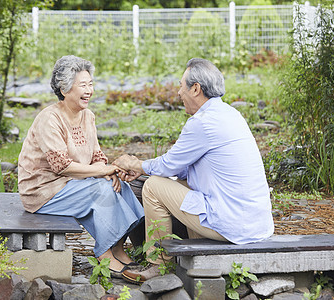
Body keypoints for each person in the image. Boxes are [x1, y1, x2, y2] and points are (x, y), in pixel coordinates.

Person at [113, 58, 274, 283]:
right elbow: (184, 169)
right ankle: (189, 253)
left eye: (181, 86)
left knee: (152, 187)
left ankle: (159, 265)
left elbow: (169, 165)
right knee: (166, 182)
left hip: (234, 225)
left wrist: (134, 164)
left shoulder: (204, 122)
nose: (179, 93)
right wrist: (144, 168)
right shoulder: (230, 114)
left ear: (196, 88)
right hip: (254, 223)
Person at [18, 55, 144, 278]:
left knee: (120, 187)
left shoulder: (88, 116)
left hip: (73, 183)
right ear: (65, 89)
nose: (89, 90)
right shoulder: (50, 118)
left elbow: (96, 155)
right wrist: (103, 172)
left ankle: (118, 248)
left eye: (91, 84)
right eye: (83, 85)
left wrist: (107, 173)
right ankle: (104, 255)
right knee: (100, 191)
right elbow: (61, 166)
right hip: (45, 190)